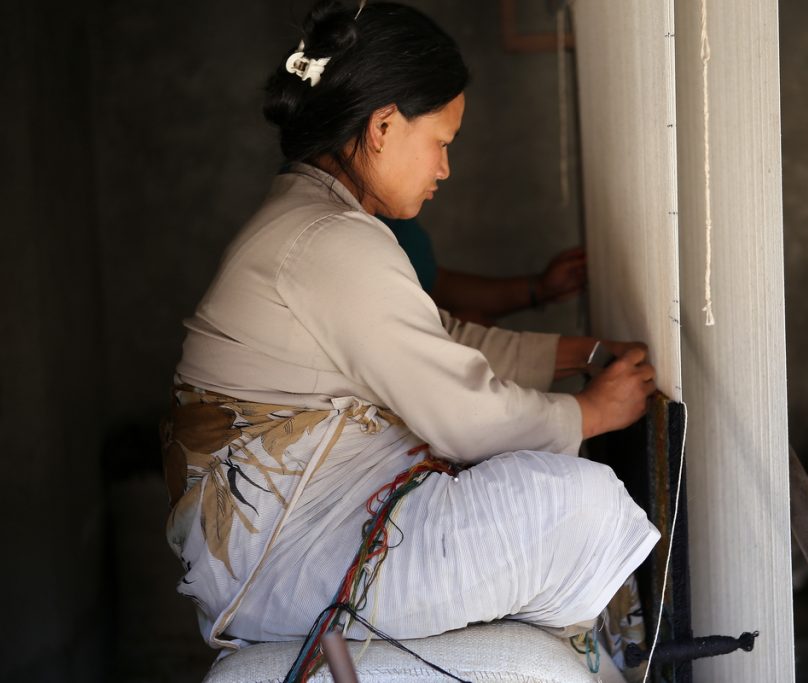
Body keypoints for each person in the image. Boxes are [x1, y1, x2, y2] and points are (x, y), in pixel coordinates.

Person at [161, 0, 659, 668]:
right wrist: (591, 412)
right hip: (288, 559)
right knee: (582, 505)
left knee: (548, 489)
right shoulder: (327, 240)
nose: (445, 169)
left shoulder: (318, 218)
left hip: (295, 544)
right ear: (383, 126)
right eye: (441, 143)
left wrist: (581, 355)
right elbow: (465, 416)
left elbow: (435, 341)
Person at [382, 215, 587, 326]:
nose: (443, 171)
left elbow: (435, 285)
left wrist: (539, 288)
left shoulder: (394, 218)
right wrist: (446, 334)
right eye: (439, 148)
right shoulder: (366, 232)